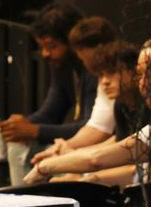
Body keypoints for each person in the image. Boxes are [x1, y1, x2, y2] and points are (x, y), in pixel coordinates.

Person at [24, 34, 151, 185]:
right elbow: (133, 173)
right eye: (141, 74)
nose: (145, 84)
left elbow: (97, 160)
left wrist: (45, 168)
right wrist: (85, 179)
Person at [29, 40, 151, 186]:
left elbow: (128, 161)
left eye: (111, 73)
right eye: (101, 75)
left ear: (135, 72)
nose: (104, 82)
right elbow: (117, 143)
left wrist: (83, 176)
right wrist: (71, 154)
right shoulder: (120, 105)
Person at [0, 3, 96, 185]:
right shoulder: (63, 67)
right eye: (41, 47)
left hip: (92, 146)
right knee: (18, 144)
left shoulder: (94, 71)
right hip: (72, 142)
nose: (45, 54)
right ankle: (21, 204)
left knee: (42, 152)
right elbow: (51, 111)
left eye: (51, 46)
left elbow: (91, 127)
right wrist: (19, 128)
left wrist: (33, 131)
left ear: (73, 42)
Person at [29, 16, 119, 165]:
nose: (105, 81)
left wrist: (68, 152)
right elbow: (98, 126)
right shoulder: (94, 75)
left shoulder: (102, 75)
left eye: (51, 46)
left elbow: (107, 135)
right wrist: (66, 147)